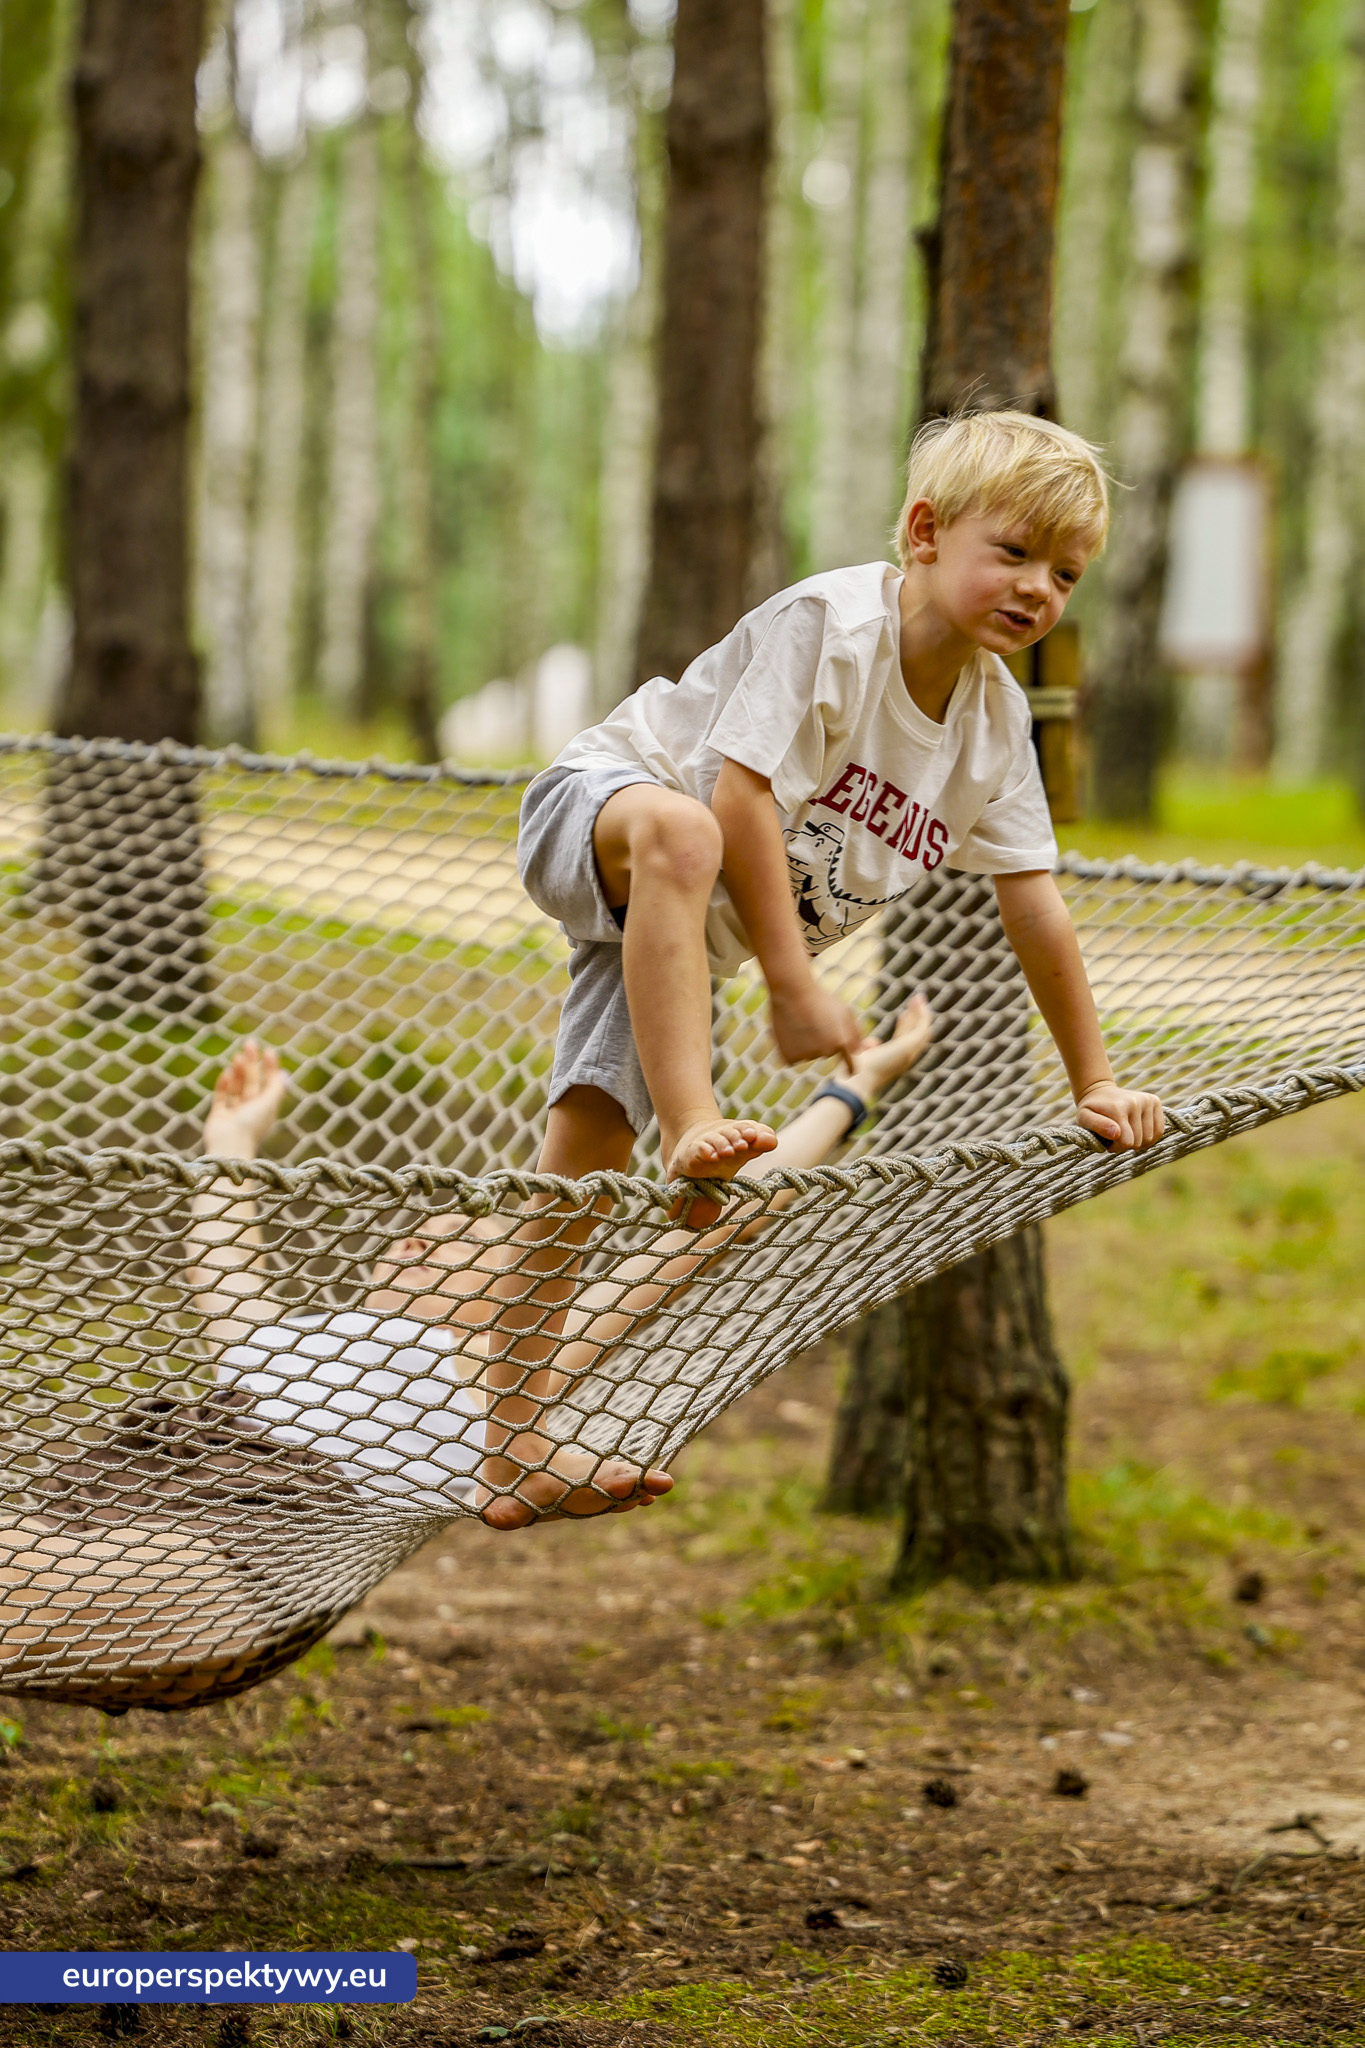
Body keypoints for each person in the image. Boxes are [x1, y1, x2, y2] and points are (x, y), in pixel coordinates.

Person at [518, 409, 1165, 1201]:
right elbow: (740, 797)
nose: (1038, 587)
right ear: (925, 532)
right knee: (684, 829)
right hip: (597, 808)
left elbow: (1033, 909)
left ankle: (517, 1319)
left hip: (671, 932)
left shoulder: (997, 725)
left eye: (1065, 575)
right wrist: (793, 987)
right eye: (1015, 553)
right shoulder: (835, 628)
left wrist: (1093, 1083)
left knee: (577, 1183)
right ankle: (691, 1122)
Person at [191, 1003, 932, 1530]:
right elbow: (223, 1260)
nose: (418, 1239)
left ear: (514, 1284)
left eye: (454, 1238)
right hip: (165, 1446)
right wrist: (231, 1138)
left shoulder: (503, 1361)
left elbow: (711, 1232)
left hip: (270, 1508)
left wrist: (853, 1089)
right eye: (414, 1235)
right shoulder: (287, 1339)